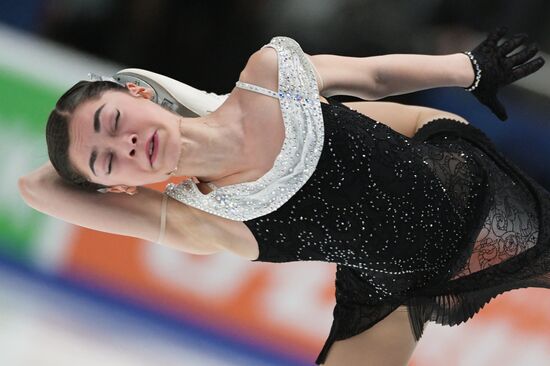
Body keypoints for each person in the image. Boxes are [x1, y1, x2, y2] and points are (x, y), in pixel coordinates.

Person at [18, 28, 548, 365]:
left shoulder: (266, 77)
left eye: (113, 121)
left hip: (466, 192)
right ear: (118, 188)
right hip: (395, 283)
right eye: (107, 159)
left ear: (135, 91)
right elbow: (36, 188)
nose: (125, 142)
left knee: (338, 127)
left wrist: (469, 69)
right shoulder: (201, 218)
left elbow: (369, 75)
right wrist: (98, 142)